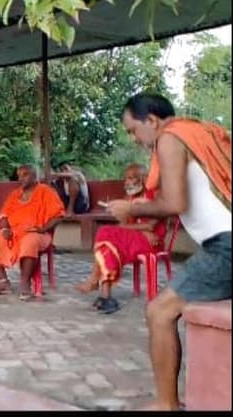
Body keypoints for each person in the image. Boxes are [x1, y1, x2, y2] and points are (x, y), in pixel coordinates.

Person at [106, 93, 231, 411]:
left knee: (159, 312)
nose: (134, 139)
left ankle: (166, 404)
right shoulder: (196, 132)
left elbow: (175, 203)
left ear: (151, 120)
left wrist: (131, 209)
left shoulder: (170, 137)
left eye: (133, 130)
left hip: (226, 246)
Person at [76, 163, 167, 314]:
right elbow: (124, 224)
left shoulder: (154, 196)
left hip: (153, 242)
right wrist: (126, 217)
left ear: (143, 179)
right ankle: (105, 296)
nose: (127, 182)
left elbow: (151, 226)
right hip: (135, 240)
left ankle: (98, 285)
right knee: (108, 243)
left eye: (131, 178)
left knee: (106, 233)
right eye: (126, 179)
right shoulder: (129, 198)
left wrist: (140, 230)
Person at [0, 164, 65, 301]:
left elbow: (59, 215)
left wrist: (43, 229)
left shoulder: (46, 191)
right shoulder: (15, 194)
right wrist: (5, 229)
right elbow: (4, 215)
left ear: (34, 177)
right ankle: (4, 282)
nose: (21, 179)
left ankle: (25, 284)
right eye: (19, 176)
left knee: (29, 242)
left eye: (25, 175)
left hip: (38, 233)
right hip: (15, 232)